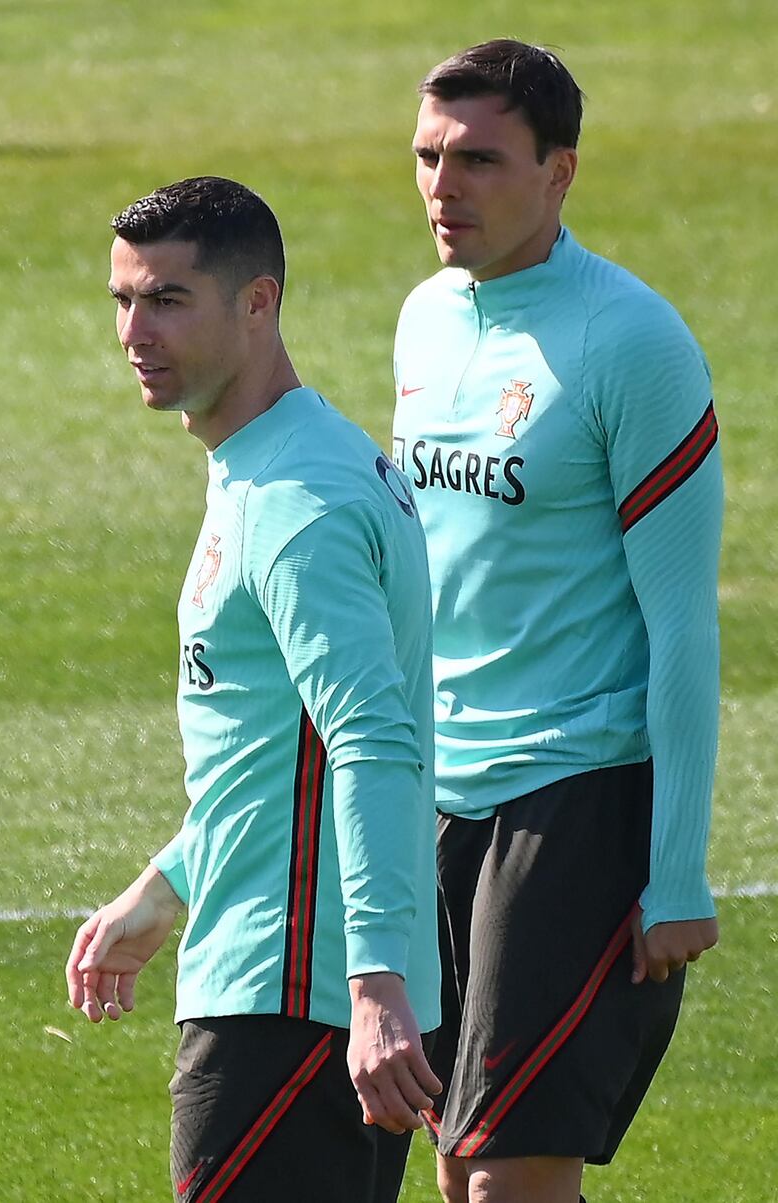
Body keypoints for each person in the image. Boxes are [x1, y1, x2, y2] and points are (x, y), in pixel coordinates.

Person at [65, 175, 442, 1203]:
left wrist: (371, 988)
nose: (133, 331)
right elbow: (284, 746)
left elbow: (369, 738)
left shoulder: (297, 503)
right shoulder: (278, 462)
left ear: (257, 303)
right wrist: (171, 886)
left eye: (168, 300)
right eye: (123, 300)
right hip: (287, 978)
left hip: (294, 1000)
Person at [392, 40, 722, 1203]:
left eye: (479, 159)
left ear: (558, 171)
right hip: (442, 785)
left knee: (506, 1177)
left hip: (579, 795)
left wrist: (674, 870)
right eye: (429, 156)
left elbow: (682, 624)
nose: (444, 185)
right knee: (456, 1159)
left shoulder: (630, 343)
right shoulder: (426, 320)